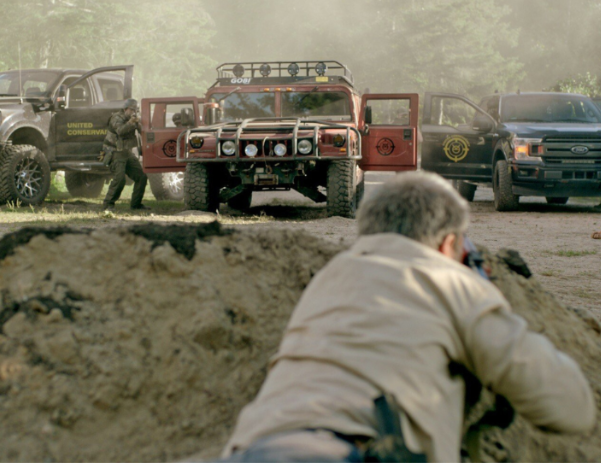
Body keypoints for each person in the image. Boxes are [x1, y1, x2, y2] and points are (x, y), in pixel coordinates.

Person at [221, 172, 595, 462]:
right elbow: (571, 407)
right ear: (449, 243)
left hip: (251, 447)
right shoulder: (449, 281)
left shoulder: (329, 278)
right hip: (354, 451)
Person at [102, 98, 148, 211]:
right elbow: (120, 131)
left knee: (141, 177)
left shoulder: (132, 119)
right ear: (125, 109)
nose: (133, 112)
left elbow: (143, 132)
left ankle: (136, 204)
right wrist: (130, 123)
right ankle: (108, 204)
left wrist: (139, 123)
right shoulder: (116, 117)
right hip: (114, 152)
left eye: (135, 110)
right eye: (131, 110)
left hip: (126, 152)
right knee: (120, 178)